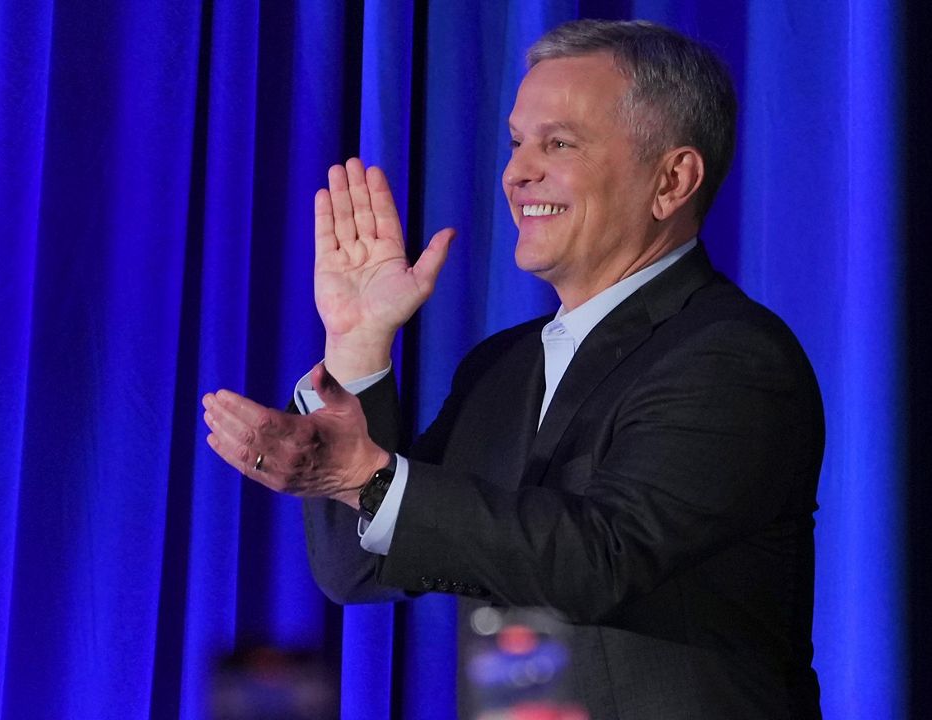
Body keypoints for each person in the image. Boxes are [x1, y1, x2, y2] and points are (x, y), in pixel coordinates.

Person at [203, 19, 824, 719]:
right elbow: (361, 565)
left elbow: (601, 559)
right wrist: (357, 344)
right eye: (516, 142)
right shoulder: (500, 368)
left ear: (672, 179)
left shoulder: (730, 359)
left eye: (558, 143)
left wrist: (361, 476)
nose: (517, 172)